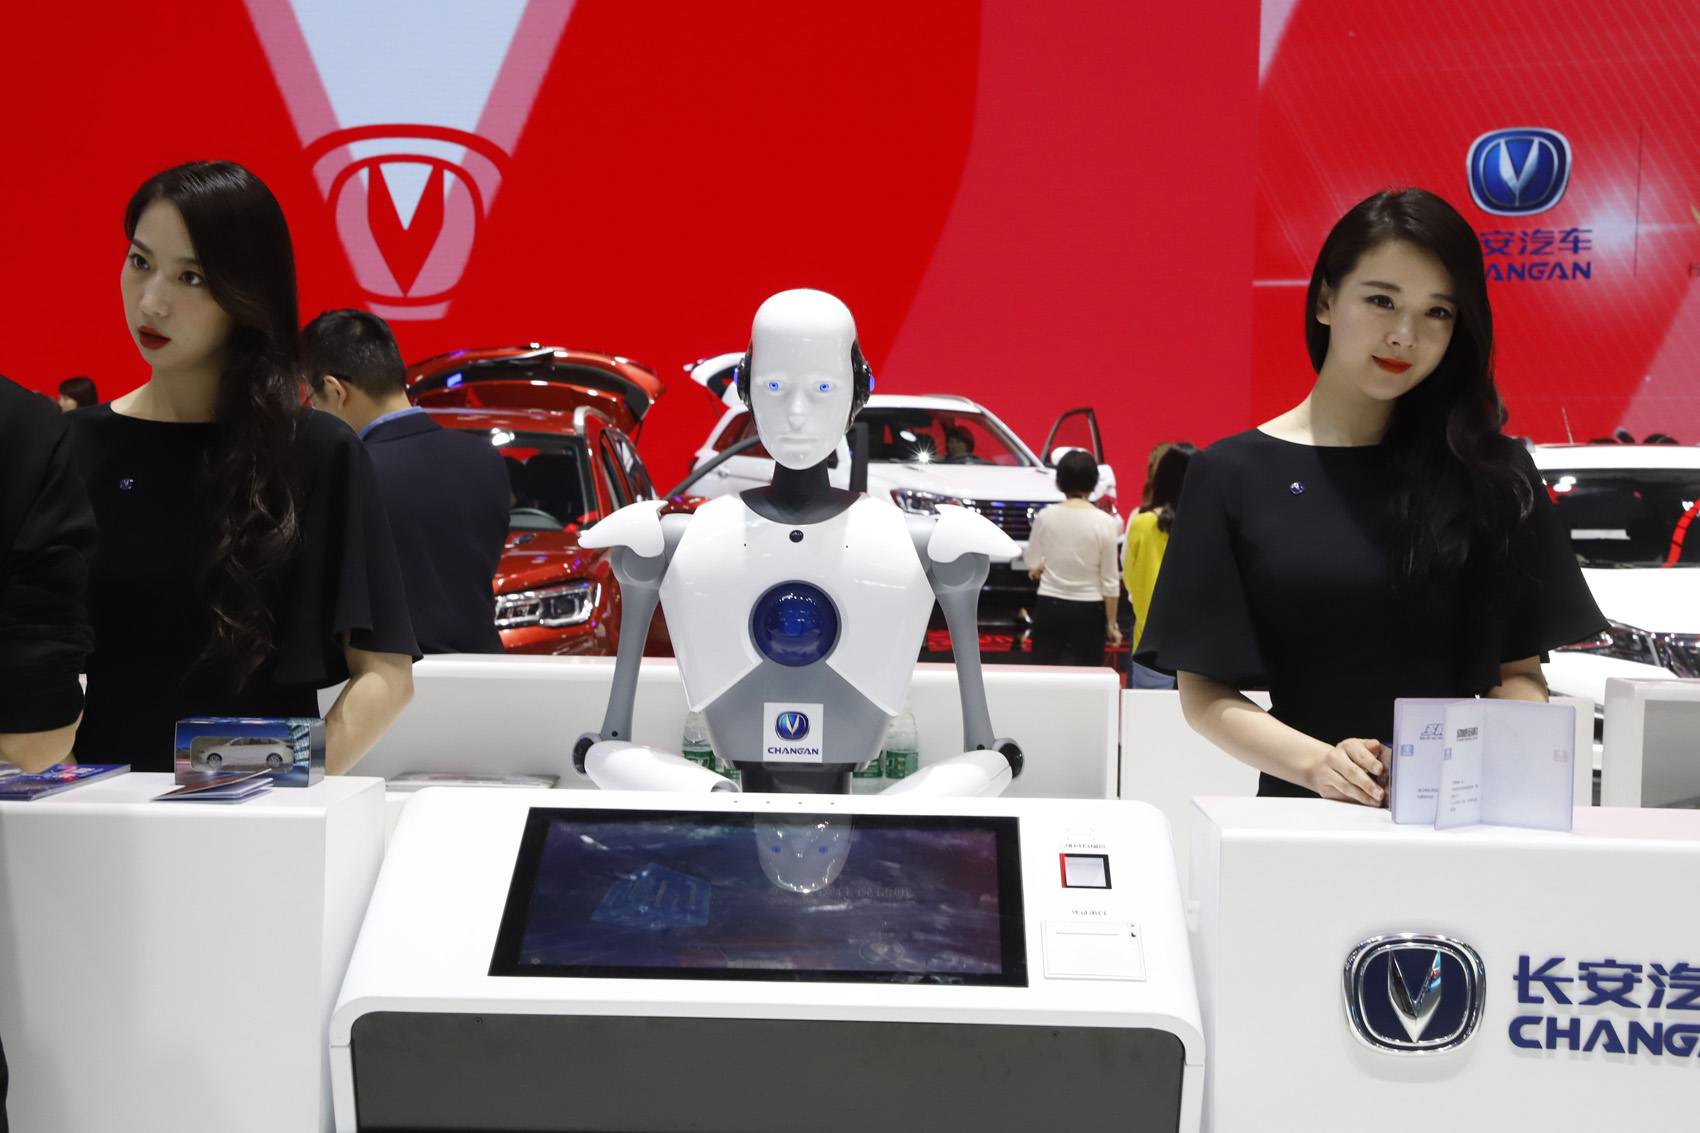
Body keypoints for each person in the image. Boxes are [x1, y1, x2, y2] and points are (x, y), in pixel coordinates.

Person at [1136, 188, 1606, 805]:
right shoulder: (1231, 473)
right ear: (1327, 299)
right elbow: (1204, 694)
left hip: (1456, 819)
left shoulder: (1491, 472)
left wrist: (1496, 767)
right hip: (1302, 819)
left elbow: (1518, 675)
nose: (1404, 335)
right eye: (1381, 301)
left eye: (1437, 312)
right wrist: (1319, 765)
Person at [67, 161, 418, 775]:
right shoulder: (72, 445)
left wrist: (241, 775)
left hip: (257, 822)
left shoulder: (317, 452)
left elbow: (386, 678)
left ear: (246, 293)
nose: (152, 301)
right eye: (140, 262)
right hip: (90, 816)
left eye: (191, 277)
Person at [304, 308, 509, 654]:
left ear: (335, 391)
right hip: (484, 672)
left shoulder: (350, 473)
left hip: (387, 682)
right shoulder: (487, 460)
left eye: (310, 401)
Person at [1023, 449, 1123, 665]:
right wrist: (1112, 624)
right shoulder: (1105, 522)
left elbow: (1030, 560)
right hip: (1090, 609)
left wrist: (1040, 564)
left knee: (1043, 673)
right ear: (1094, 481)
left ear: (1059, 481)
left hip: (1050, 604)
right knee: (1088, 678)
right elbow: (1110, 580)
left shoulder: (1046, 516)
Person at [1123, 441, 1196, 689]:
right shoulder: (1212, 522)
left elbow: (1131, 581)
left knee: (1150, 718)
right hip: (1199, 640)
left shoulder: (1143, 523)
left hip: (1151, 639)